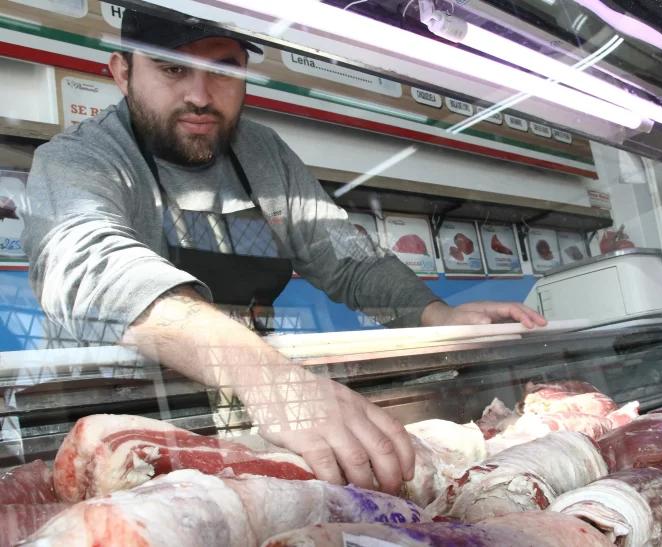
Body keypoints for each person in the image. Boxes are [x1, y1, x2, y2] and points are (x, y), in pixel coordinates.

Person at [21, 9, 546, 495]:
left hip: (221, 422)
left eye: (222, 70)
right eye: (172, 70)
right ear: (121, 72)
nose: (201, 95)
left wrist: (436, 313)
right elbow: (91, 265)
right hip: (97, 436)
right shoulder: (80, 159)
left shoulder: (262, 153)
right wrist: (269, 377)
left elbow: (344, 252)